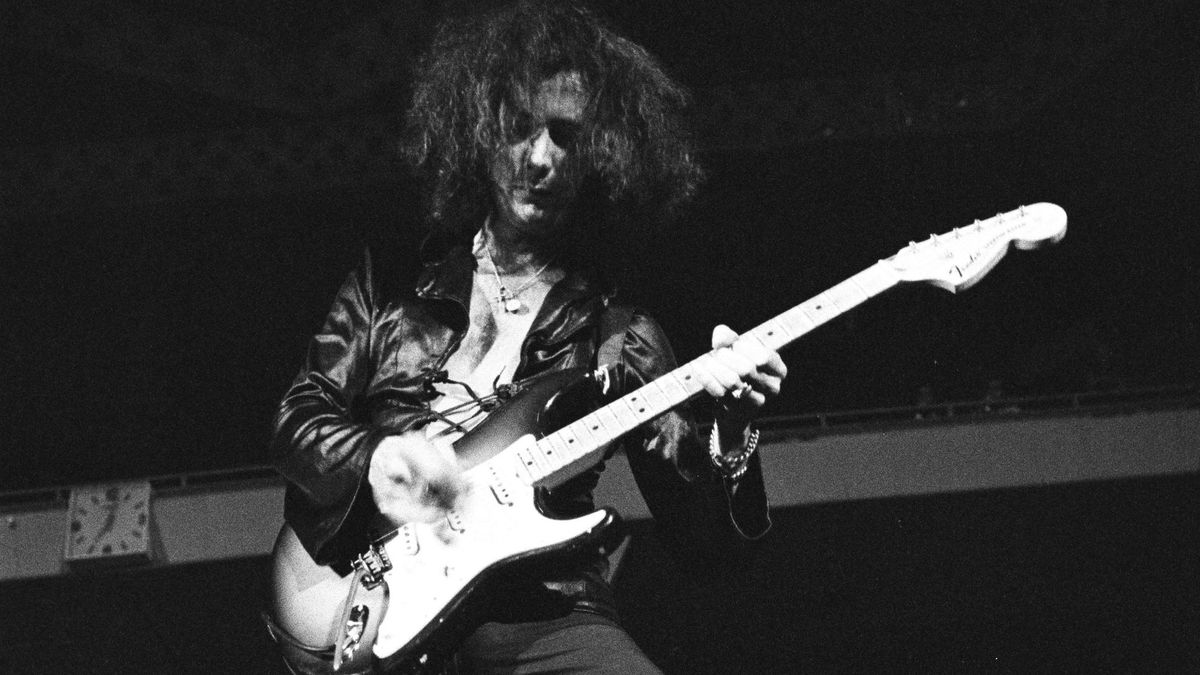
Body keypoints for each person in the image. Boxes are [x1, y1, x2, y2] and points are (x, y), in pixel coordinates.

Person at [270, 1, 788, 672]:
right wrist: (376, 456)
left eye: (566, 135)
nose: (541, 156)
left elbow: (708, 548)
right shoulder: (394, 278)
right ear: (484, 129)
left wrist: (735, 431)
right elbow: (298, 416)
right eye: (521, 126)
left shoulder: (621, 336)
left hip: (537, 612)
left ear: (602, 153)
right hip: (369, 594)